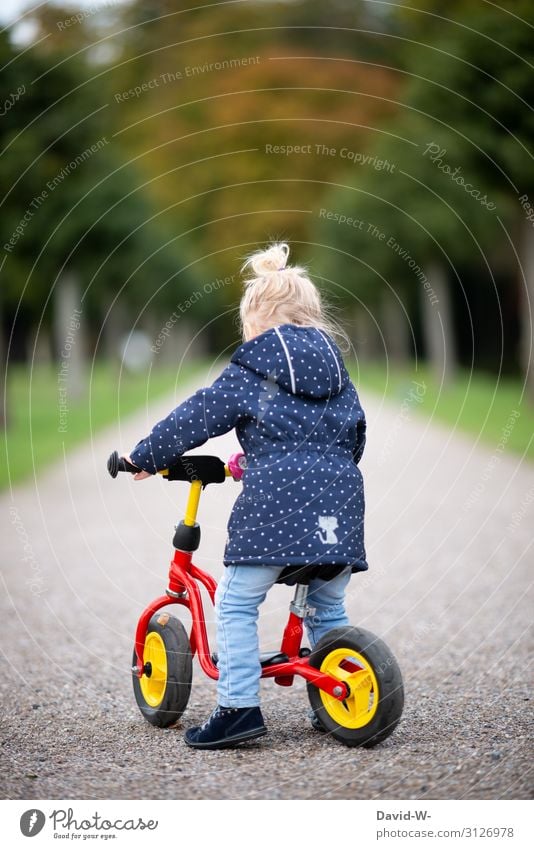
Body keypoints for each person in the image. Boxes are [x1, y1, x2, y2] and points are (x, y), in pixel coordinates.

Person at [123, 242, 367, 750]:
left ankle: (237, 709)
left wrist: (143, 458)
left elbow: (194, 417)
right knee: (328, 607)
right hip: (340, 509)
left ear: (255, 323)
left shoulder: (252, 369)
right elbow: (355, 437)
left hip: (275, 510)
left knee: (236, 603)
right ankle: (337, 698)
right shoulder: (339, 372)